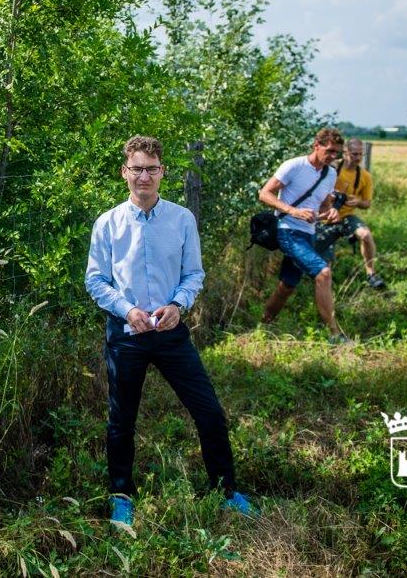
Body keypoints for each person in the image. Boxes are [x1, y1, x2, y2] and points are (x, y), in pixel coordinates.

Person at [85, 135, 254, 527]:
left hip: (170, 331)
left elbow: (194, 273)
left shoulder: (181, 219)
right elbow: (96, 281)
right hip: (127, 334)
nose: (144, 176)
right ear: (124, 172)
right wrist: (128, 310)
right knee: (121, 420)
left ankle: (226, 491)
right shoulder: (107, 223)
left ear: (163, 172)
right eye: (137, 168)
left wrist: (178, 305)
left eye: (152, 168)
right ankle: (122, 494)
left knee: (209, 412)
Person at [258, 128, 347, 343]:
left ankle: (263, 327)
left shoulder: (330, 173)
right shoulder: (294, 166)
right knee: (323, 273)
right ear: (316, 145)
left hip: (309, 233)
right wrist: (293, 211)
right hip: (288, 230)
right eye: (329, 151)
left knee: (287, 285)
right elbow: (264, 193)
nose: (333, 156)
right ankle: (336, 335)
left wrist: (332, 212)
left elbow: (324, 207)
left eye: (337, 153)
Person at [314, 138, 385, 289]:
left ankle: (371, 274)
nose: (358, 158)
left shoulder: (365, 176)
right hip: (324, 218)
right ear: (345, 153)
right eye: (354, 154)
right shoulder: (330, 167)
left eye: (360, 154)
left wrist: (357, 202)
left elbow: (367, 203)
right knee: (325, 263)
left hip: (346, 217)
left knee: (365, 235)